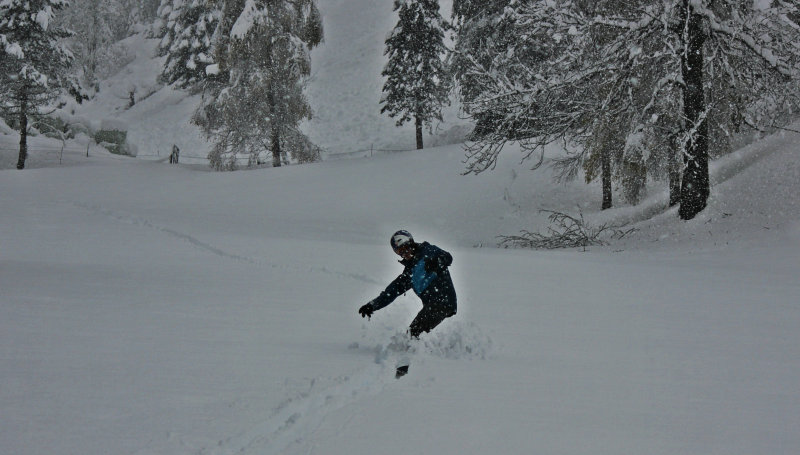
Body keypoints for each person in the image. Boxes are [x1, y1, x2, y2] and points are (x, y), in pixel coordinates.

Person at [359, 230, 457, 339]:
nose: (404, 253)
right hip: (432, 305)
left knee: (413, 333)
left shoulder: (427, 250)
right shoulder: (409, 273)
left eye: (405, 248)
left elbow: (448, 257)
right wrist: (372, 305)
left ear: (411, 243)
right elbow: (391, 292)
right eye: (400, 251)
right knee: (412, 333)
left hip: (443, 301)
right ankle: (422, 352)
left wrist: (436, 262)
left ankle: (415, 354)